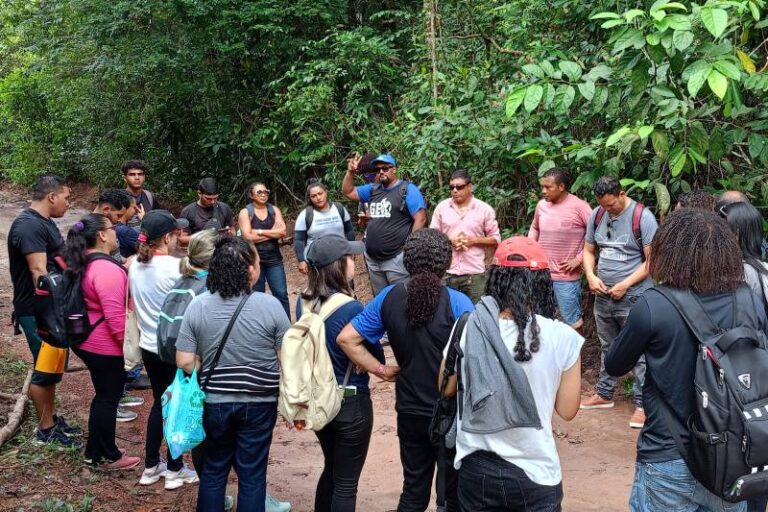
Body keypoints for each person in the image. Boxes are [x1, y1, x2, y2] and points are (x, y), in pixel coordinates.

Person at [605, 208, 752, 512]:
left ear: (668, 252)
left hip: (667, 454)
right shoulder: (747, 298)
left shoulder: (654, 305)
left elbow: (615, 364)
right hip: (731, 456)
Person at [440, 237, 583, 511]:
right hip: (536, 469)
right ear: (541, 281)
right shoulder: (563, 338)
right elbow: (567, 410)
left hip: (476, 465)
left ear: (495, 279)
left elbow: (445, 388)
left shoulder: (470, 326)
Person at [338, 228, 473, 512]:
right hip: (450, 410)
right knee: (453, 494)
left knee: (413, 490)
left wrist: (380, 369)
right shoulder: (458, 303)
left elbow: (346, 338)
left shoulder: (389, 296)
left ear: (406, 260)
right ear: (446, 262)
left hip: (410, 407)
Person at [176, 237, 291, 512]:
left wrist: (204, 367)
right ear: (250, 271)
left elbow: (183, 360)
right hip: (260, 403)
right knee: (252, 474)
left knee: (214, 470)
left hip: (214, 402)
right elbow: (288, 358)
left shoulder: (199, 306)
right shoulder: (271, 306)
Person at [300, 234, 384, 512]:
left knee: (332, 468)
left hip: (320, 400)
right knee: (347, 483)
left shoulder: (306, 301)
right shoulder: (352, 308)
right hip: (350, 401)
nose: (354, 261)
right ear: (337, 265)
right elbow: (376, 355)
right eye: (350, 257)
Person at [61, 213, 141, 469]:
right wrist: (129, 352)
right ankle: (107, 455)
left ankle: (94, 451)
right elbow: (117, 318)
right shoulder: (106, 269)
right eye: (113, 228)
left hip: (86, 340)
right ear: (102, 235)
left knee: (103, 397)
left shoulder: (84, 260)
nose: (117, 232)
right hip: (104, 346)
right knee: (108, 398)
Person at [7, 175, 81, 447]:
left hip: (51, 308)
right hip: (39, 309)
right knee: (45, 369)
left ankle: (50, 420)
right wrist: (55, 310)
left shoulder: (45, 223)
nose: (68, 203)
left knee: (52, 368)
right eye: (66, 197)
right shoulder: (28, 226)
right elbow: (39, 271)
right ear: (52, 196)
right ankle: (45, 431)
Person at [580, 176, 658, 429]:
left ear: (622, 194)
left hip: (634, 297)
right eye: (603, 205)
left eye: (612, 205)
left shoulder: (642, 217)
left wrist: (626, 284)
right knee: (608, 347)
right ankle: (604, 393)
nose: (608, 210)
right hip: (603, 295)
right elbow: (589, 250)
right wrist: (591, 276)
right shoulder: (597, 215)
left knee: (640, 352)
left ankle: (642, 404)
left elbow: (651, 261)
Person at [130, 210, 199, 490]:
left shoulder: (134, 264)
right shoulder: (175, 267)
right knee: (178, 406)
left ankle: (150, 465)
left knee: (161, 403)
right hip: (173, 347)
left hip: (148, 345)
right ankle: (174, 468)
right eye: (176, 236)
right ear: (168, 237)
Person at [342, 153, 427, 296]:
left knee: (402, 299)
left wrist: (409, 248)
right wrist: (350, 172)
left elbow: (421, 219)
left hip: (396, 258)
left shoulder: (407, 190)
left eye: (385, 168)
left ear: (394, 169)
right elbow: (348, 191)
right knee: (382, 300)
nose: (381, 171)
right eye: (377, 169)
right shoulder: (373, 189)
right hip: (373, 260)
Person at [528, 168, 593, 329]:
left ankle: (575, 354)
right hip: (541, 273)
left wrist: (578, 259)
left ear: (561, 186)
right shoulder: (541, 206)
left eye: (548, 187)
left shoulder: (580, 207)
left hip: (566, 278)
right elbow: (535, 228)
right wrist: (530, 249)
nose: (543, 191)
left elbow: (595, 236)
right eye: (542, 187)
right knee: (541, 320)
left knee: (572, 324)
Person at [430, 169, 500, 304]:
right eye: (452, 187)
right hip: (447, 273)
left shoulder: (484, 209)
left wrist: (473, 241)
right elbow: (432, 236)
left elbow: (495, 240)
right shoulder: (442, 208)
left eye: (460, 187)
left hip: (475, 274)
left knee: (477, 314)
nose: (455, 190)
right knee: (447, 313)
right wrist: (449, 240)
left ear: (469, 187)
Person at [238, 182, 290, 319]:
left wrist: (259, 231)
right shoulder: (245, 212)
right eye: (259, 192)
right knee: (256, 296)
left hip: (274, 259)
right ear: (251, 195)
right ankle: (259, 328)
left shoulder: (274, 210)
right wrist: (272, 233)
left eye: (265, 191)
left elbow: (283, 232)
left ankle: (285, 327)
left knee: (281, 294)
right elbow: (247, 237)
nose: (263, 194)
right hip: (254, 260)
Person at [294, 181, 356, 276]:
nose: (318, 198)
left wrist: (352, 250)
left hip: (340, 255)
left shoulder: (339, 208)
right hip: (317, 261)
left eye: (320, 193)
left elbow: (349, 230)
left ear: (326, 192)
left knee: (346, 286)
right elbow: (299, 239)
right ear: (310, 198)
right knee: (322, 288)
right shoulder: (305, 215)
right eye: (313, 196)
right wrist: (301, 260)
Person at [180, 177, 235, 244]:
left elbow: (233, 231)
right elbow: (181, 239)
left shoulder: (224, 208)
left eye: (215, 198)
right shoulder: (188, 211)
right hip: (199, 251)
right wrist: (203, 239)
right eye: (208, 199)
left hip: (221, 250)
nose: (212, 202)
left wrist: (229, 234)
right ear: (199, 193)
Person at [93, 188, 136, 264]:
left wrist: (127, 260)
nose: (119, 220)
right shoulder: (91, 232)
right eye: (118, 215)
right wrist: (125, 267)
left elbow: (115, 255)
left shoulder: (108, 227)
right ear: (106, 209)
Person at [122, 160, 159, 228]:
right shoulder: (118, 199)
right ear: (125, 178)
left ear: (144, 177)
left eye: (140, 174)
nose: (137, 178)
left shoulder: (150, 197)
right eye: (132, 174)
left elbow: (157, 222)